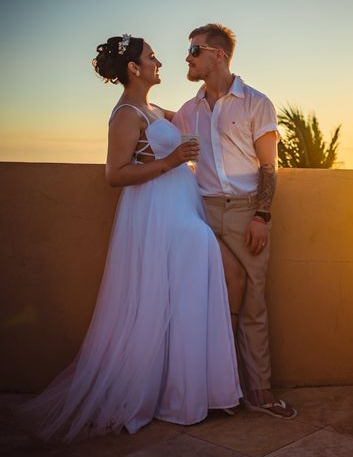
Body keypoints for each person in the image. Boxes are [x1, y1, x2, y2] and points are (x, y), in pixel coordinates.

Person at [16, 35, 242, 442]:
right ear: (134, 69)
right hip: (156, 215)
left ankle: (194, 392)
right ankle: (178, 395)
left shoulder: (154, 109)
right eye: (151, 58)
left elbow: (199, 117)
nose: (160, 62)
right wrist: (173, 160)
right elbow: (114, 174)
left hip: (180, 206)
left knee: (185, 290)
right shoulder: (125, 113)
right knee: (192, 259)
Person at [173, 23, 296, 419]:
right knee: (206, 299)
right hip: (202, 211)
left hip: (247, 213)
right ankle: (216, 391)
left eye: (195, 50)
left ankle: (259, 392)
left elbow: (269, 167)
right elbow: (165, 140)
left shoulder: (256, 102)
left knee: (254, 304)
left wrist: (262, 214)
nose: (188, 58)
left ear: (219, 55)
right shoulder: (189, 111)